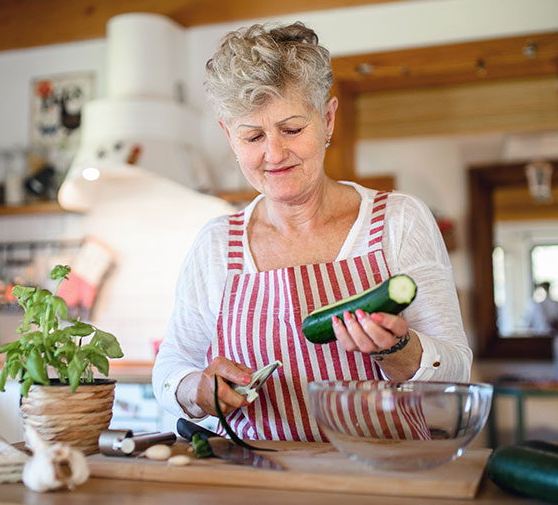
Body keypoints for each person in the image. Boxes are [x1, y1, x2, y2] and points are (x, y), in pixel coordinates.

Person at [152, 22, 471, 442]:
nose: (274, 154)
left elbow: (456, 370)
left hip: (386, 476)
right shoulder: (215, 244)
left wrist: (397, 350)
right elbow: (171, 366)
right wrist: (195, 389)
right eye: (252, 135)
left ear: (328, 118)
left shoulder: (398, 220)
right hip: (259, 478)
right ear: (229, 135)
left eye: (292, 129)